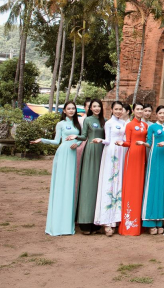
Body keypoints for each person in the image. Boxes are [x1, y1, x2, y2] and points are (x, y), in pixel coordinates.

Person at [31, 101, 82, 236]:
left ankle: (67, 225)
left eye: (73, 108)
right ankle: (57, 225)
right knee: (61, 185)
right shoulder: (61, 124)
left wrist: (77, 143)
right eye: (69, 109)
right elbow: (56, 141)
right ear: (64, 111)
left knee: (70, 186)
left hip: (73, 155)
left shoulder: (77, 124)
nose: (71, 110)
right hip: (63, 153)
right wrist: (42, 140)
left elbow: (82, 138)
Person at [94, 101, 129, 236]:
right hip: (110, 152)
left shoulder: (124, 124)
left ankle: (117, 219)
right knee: (109, 183)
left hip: (121, 152)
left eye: (121, 109)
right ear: (112, 110)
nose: (119, 111)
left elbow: (126, 139)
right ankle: (107, 221)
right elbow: (108, 140)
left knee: (119, 183)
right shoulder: (108, 123)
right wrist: (100, 140)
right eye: (116, 109)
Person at [116, 103, 148, 236]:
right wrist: (121, 143)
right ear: (133, 111)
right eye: (138, 109)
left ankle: (138, 224)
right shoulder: (129, 125)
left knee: (140, 187)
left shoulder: (145, 125)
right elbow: (128, 142)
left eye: (142, 109)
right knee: (131, 187)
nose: (140, 111)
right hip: (132, 155)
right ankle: (129, 224)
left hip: (142, 156)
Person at [75, 99, 105, 234]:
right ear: (90, 108)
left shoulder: (105, 121)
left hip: (102, 153)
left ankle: (96, 219)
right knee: (88, 184)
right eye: (94, 106)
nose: (97, 108)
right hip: (91, 152)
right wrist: (74, 137)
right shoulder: (87, 120)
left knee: (99, 185)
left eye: (99, 106)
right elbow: (83, 136)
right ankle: (84, 220)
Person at [142, 105, 164, 234]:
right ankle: (149, 221)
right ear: (156, 114)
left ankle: (159, 221)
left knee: (161, 187)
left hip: (163, 157)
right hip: (154, 157)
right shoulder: (152, 127)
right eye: (160, 113)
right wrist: (143, 144)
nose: (163, 115)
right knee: (152, 186)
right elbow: (149, 141)